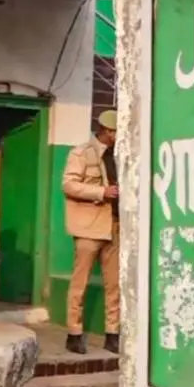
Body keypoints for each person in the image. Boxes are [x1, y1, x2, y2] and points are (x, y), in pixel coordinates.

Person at [62, 110, 120, 354]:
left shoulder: (122, 156)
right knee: (80, 284)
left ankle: (113, 333)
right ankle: (74, 333)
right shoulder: (82, 153)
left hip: (115, 225)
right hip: (88, 227)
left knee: (114, 284)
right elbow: (68, 184)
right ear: (106, 131)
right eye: (116, 131)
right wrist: (100, 193)